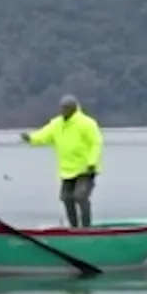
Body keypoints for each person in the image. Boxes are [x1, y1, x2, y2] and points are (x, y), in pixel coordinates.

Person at [20, 94, 103, 228]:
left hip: (85, 169)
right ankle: (74, 227)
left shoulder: (87, 123)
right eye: (62, 107)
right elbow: (43, 135)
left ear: (74, 108)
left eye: (67, 108)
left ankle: (87, 228)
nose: (63, 110)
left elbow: (96, 143)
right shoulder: (57, 124)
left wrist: (92, 162)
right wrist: (30, 138)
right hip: (67, 170)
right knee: (66, 198)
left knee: (80, 196)